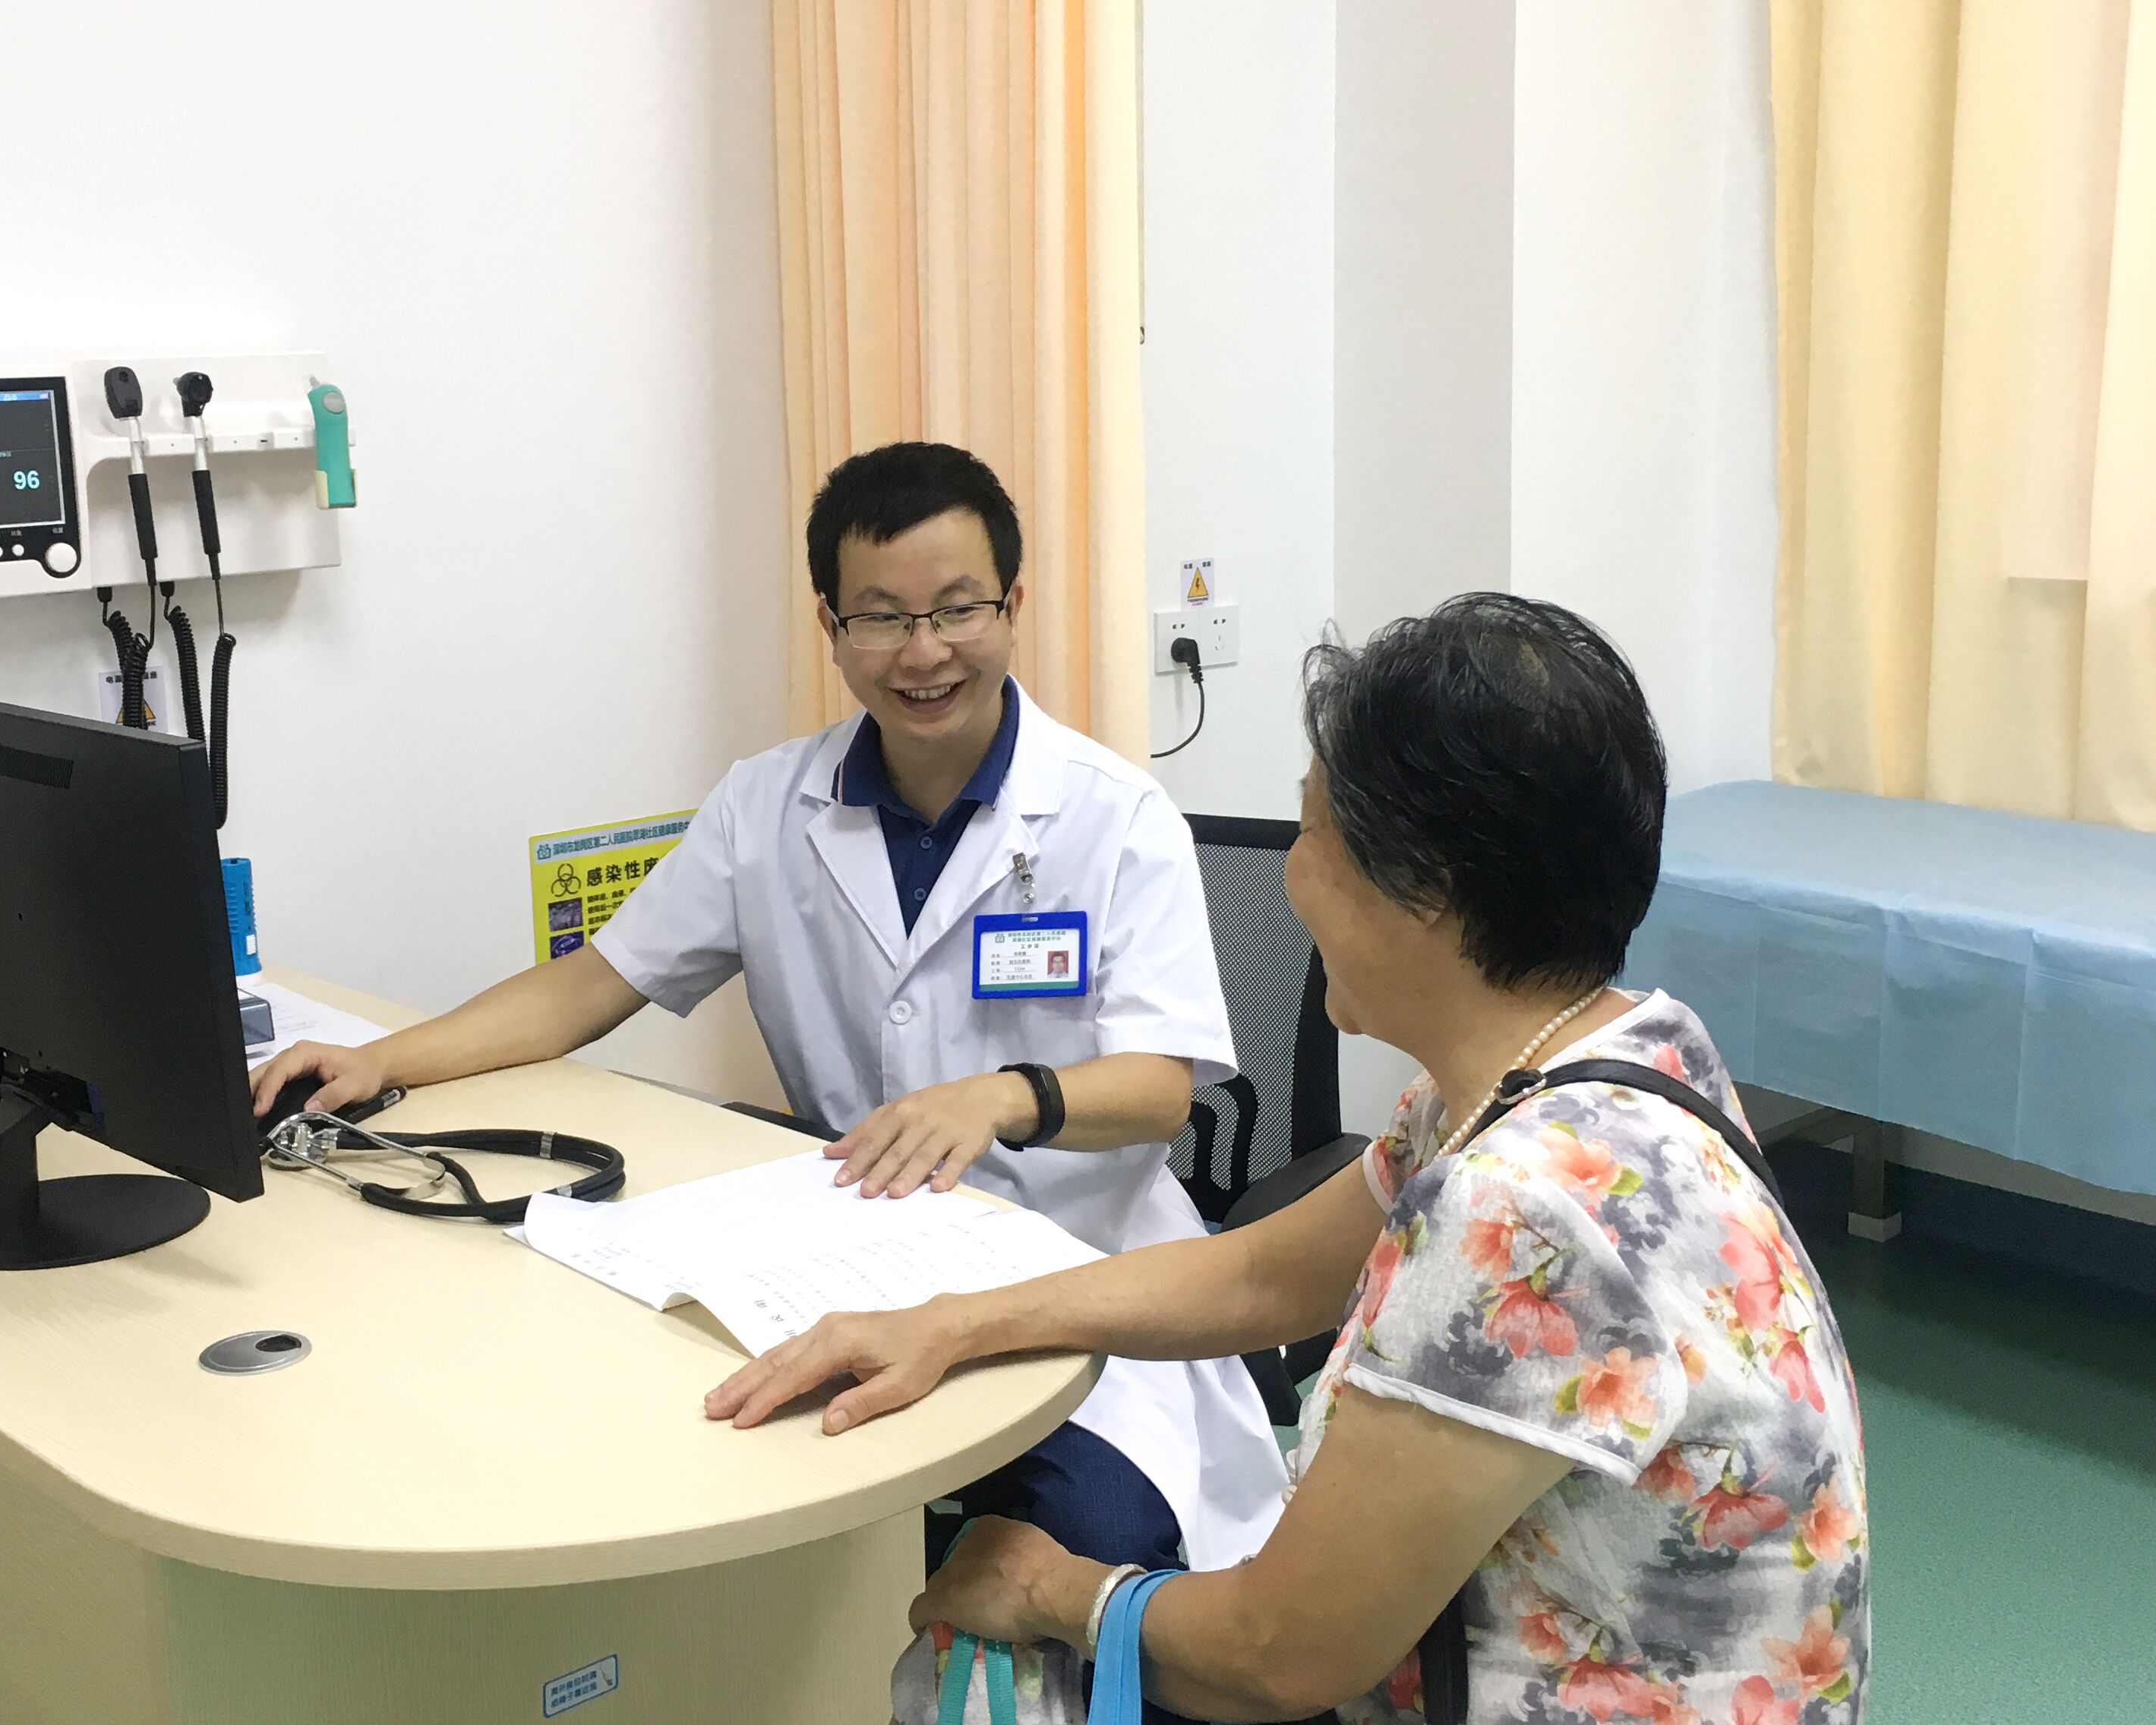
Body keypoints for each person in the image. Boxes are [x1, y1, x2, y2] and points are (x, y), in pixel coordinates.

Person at [709, 594, 1872, 1725]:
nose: (1290, 872)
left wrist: (1050, 1589)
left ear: (1428, 887)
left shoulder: (1525, 1212)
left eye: (1312, 832)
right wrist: (954, 1323)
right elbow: (1263, 1275)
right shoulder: (1599, 1060)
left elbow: (1277, 1659)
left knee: (964, 1686)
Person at [252, 440, 1289, 1583]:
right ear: (831, 626)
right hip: (840, 1254)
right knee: (686, 1463)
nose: (924, 652)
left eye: (959, 609)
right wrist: (385, 1059)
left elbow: (1157, 1090)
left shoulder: (1116, 816)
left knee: (1089, 1539)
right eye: (882, 617)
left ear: (1014, 606)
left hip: (1071, 1278)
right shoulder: (768, 804)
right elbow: (591, 984)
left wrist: (1002, 1098)